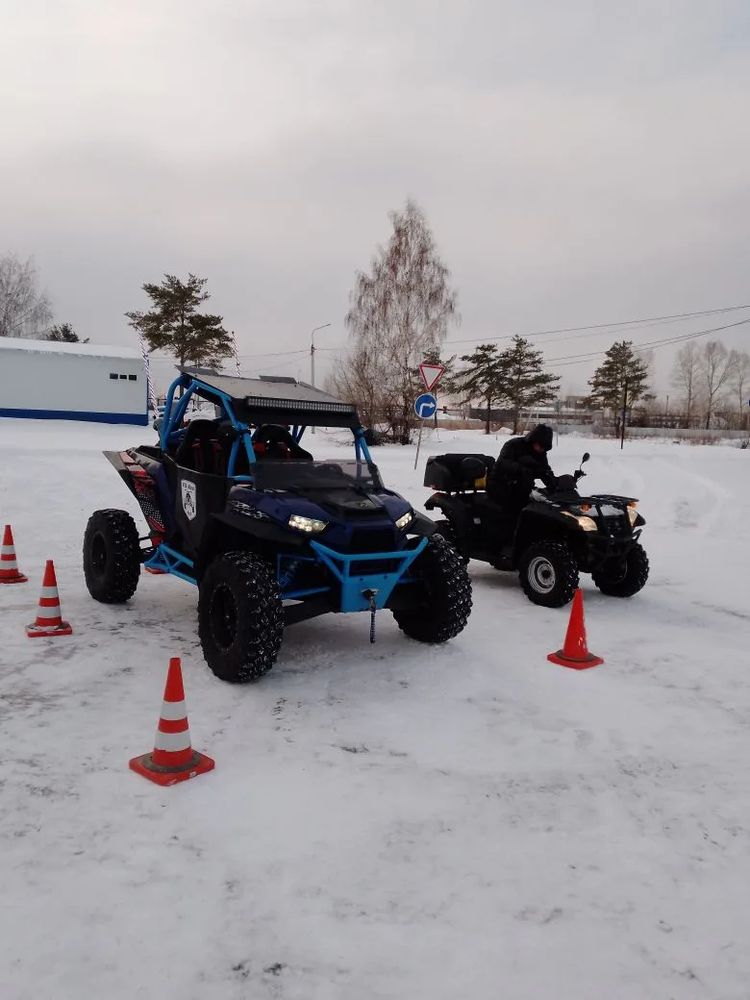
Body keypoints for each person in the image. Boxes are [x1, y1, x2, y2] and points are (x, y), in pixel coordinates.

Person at [487, 424, 557, 540]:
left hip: (523, 486)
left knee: (540, 506)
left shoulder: (540, 453)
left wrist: (554, 483)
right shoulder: (513, 445)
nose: (542, 449)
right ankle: (510, 539)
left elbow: (544, 469)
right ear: (534, 440)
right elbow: (503, 463)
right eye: (540, 446)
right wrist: (520, 468)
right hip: (501, 484)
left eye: (545, 448)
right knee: (516, 507)